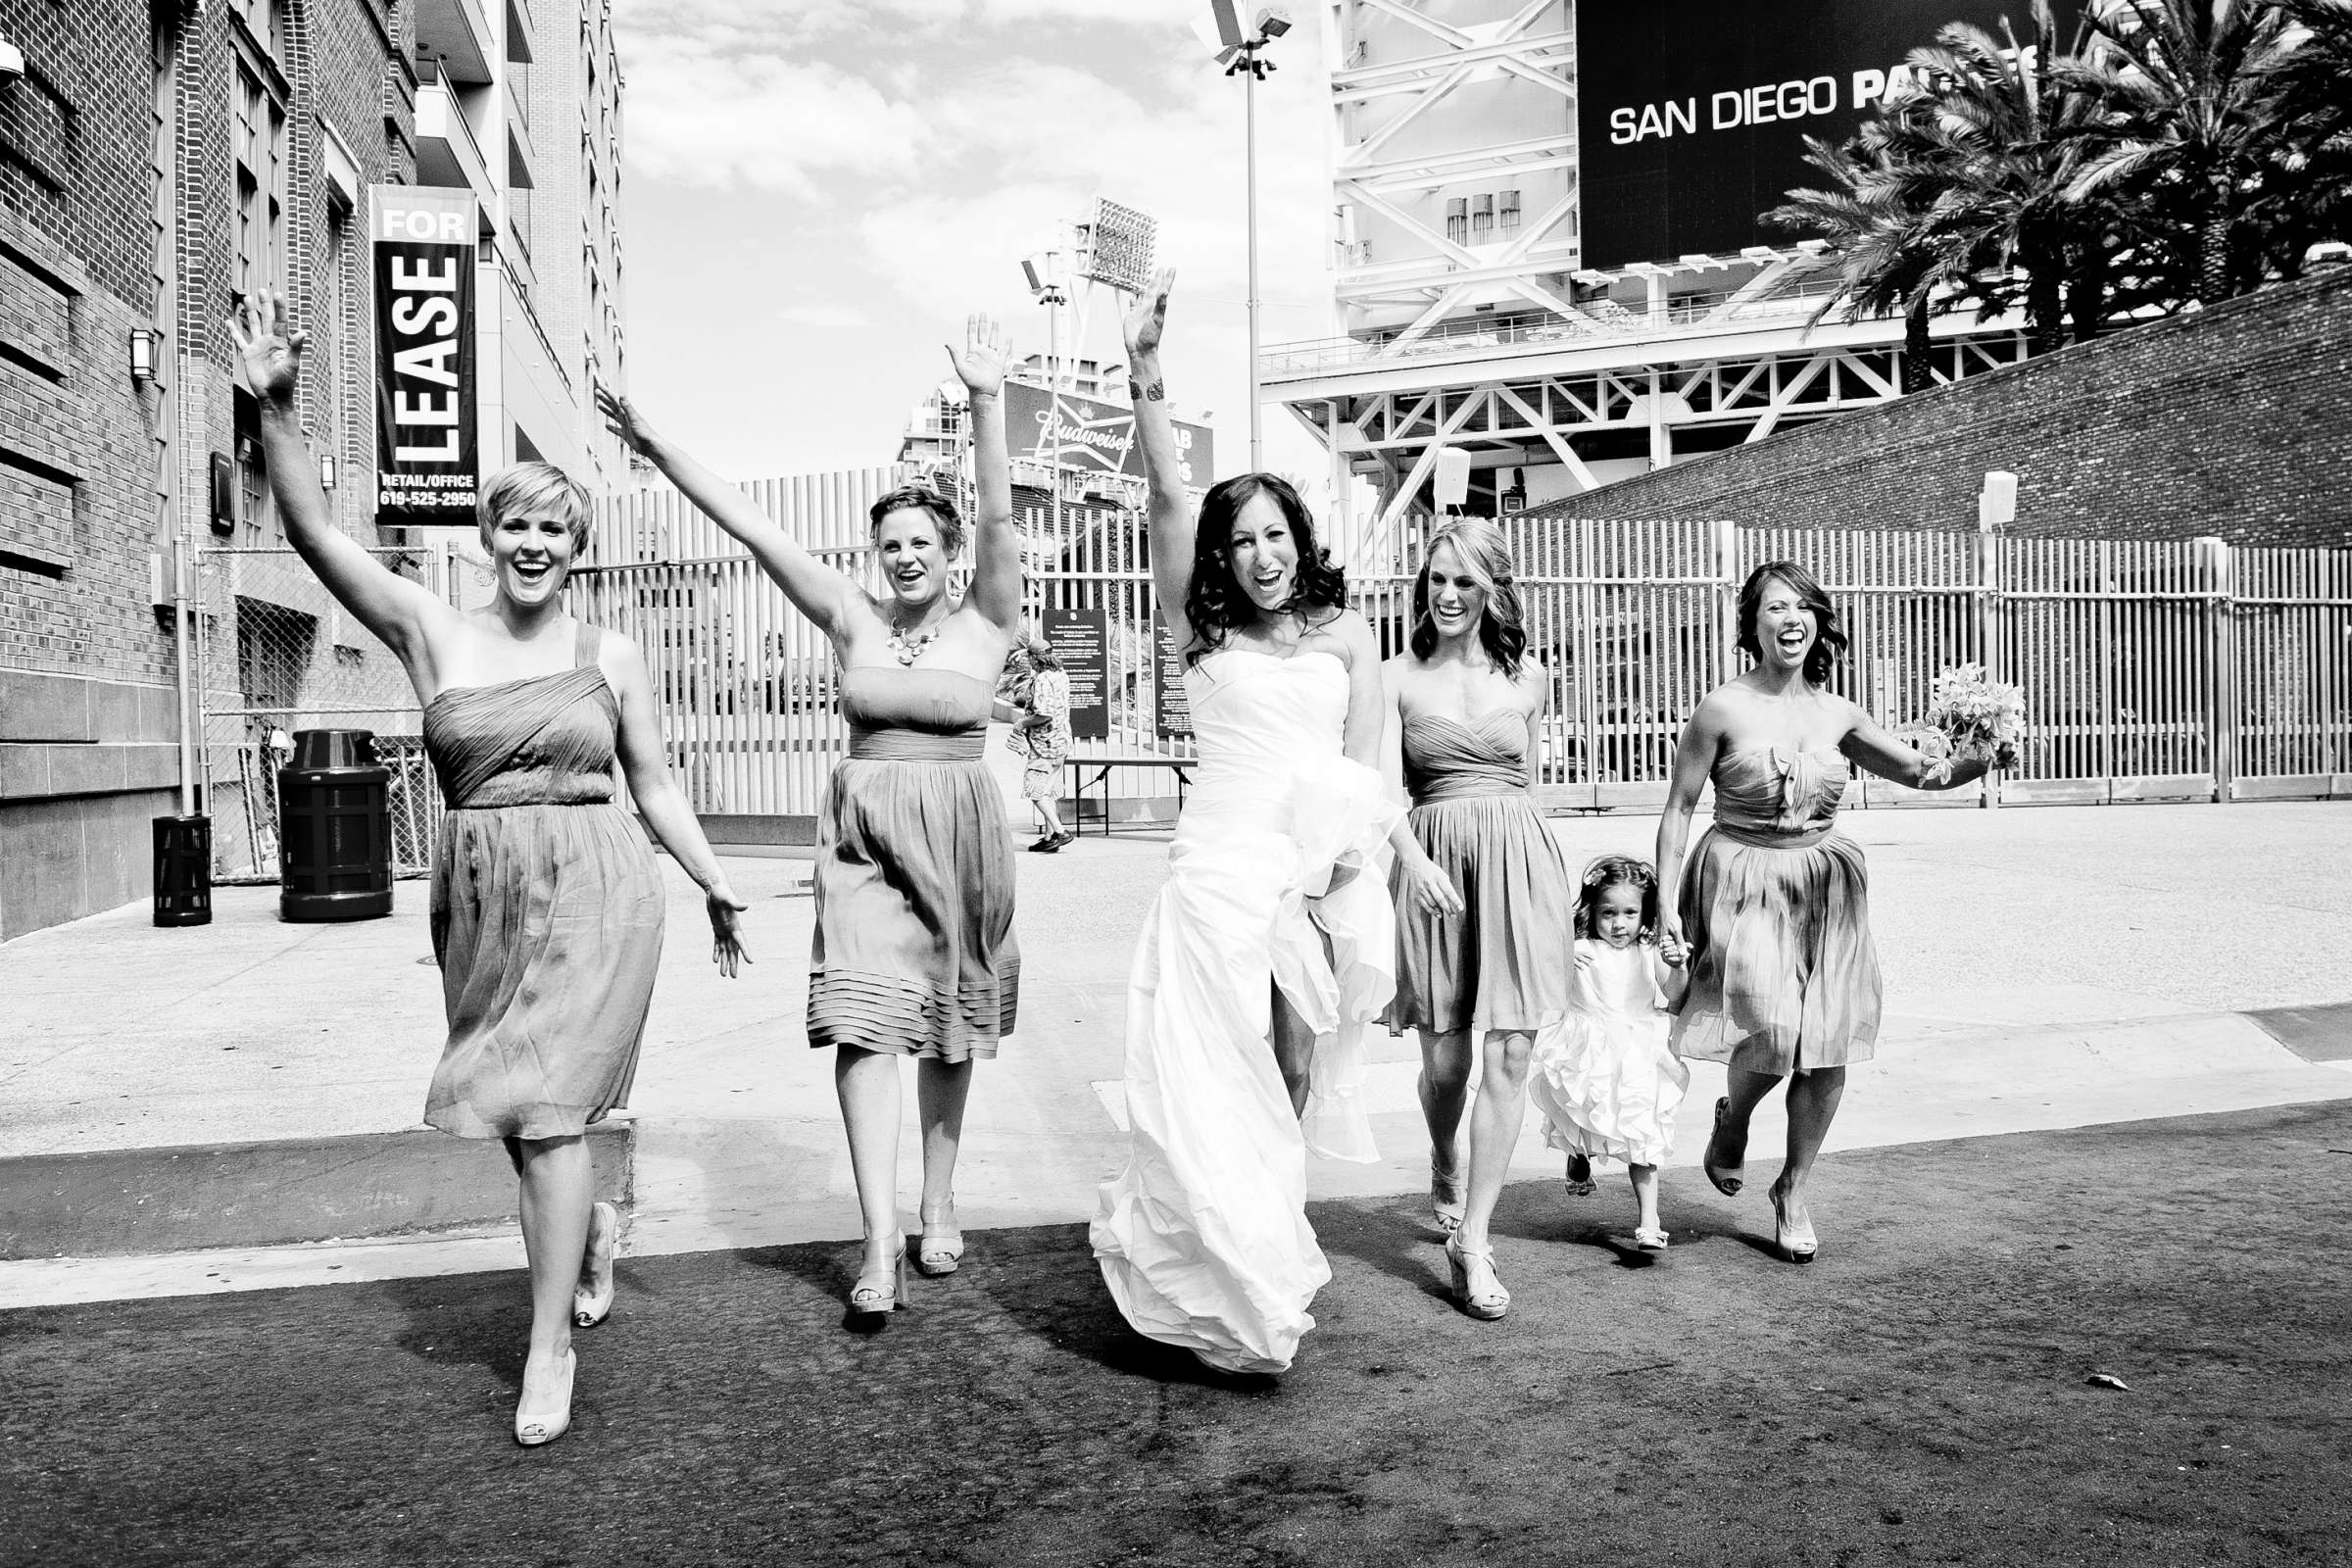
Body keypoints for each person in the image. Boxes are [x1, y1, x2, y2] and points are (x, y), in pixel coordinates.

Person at [231, 292, 749, 1447]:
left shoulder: (612, 653)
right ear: (487, 533)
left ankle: (547, 1345)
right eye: (515, 526)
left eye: (554, 534)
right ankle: (591, 1236)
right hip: (481, 894)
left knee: (552, 1116)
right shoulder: (434, 631)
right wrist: (273, 410)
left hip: (597, 884)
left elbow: (653, 782)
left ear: (577, 552)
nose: (532, 546)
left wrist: (712, 878)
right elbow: (320, 537)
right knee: (526, 1122)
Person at [599, 318, 1024, 1315]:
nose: (906, 557)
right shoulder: (851, 616)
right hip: (866, 845)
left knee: (949, 1030)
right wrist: (658, 451)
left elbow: (1003, 523)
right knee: (863, 1025)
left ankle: (941, 1198)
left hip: (960, 842)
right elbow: (755, 527)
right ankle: (878, 1238)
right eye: (890, 545)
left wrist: (985, 403)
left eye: (923, 543)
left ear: (952, 553)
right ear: (873, 553)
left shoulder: (987, 619)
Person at [1091, 271, 1430, 1376]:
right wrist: (1146, 375)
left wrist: (1380, 863)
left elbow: (1373, 766)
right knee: (1206, 1069)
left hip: (1316, 870)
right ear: (1221, 559)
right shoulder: (1199, 640)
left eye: (1274, 533)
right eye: (1240, 542)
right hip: (1217, 872)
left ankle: (1265, 1252)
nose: (1260, 553)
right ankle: (1216, 1272)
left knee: (1286, 1070)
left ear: (1301, 537)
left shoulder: (1351, 637)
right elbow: (1163, 504)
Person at [1657, 561, 2004, 1263]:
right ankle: (1735, 1119)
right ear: (1751, 624)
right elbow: (1678, 810)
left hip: (1826, 883)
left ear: (1817, 621)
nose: (1790, 619)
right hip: (1741, 876)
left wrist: (1988, 750)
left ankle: (1793, 1188)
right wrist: (1666, 906)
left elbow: (1917, 772)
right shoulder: (1721, 708)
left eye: (1802, 608)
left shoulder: (1839, 712)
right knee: (1771, 1025)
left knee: (1829, 1043)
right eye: (1775, 608)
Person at [1379, 516, 1557, 1321]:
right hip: (1432, 863)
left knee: (1511, 1054)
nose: (1447, 595)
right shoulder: (1395, 679)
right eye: (1437, 579)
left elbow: (1529, 783)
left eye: (1465, 582)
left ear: (1493, 591)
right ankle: (1443, 1153)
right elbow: (1380, 792)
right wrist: (1410, 863)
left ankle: (1474, 1240)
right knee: (1447, 1064)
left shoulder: (1531, 680)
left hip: (1520, 862)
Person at [1527, 856, 1690, 1253]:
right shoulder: (1581, 948)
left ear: (1644, 913)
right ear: (1591, 911)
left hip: (1637, 1048)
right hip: (1588, 1043)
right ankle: (1578, 1159)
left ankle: (1649, 1220)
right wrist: (1564, 955)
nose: (1619, 924)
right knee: (1583, 1116)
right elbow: (1545, 977)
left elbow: (1674, 994)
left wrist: (1680, 965)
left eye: (1630, 913)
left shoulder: (1648, 949)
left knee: (1641, 1133)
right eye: (1608, 913)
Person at [1000, 635, 1072, 851]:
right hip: (1062, 741)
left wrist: (1022, 723)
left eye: (1029, 657)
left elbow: (1044, 714)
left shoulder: (1041, 680)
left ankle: (1060, 831)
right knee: (1049, 792)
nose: (1027, 661)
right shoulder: (1061, 675)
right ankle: (1051, 839)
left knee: (1035, 791)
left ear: (1035, 658)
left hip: (1044, 745)